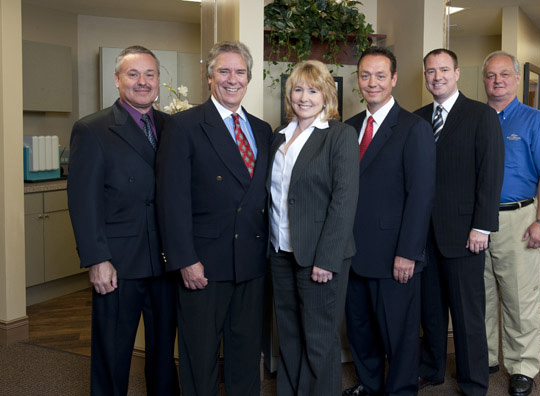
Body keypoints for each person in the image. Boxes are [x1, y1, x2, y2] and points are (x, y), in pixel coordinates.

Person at [156, 41, 272, 396]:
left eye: (239, 72)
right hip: (203, 265)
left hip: (252, 265)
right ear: (209, 77)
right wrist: (185, 260)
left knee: (245, 354)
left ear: (249, 78)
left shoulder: (263, 130)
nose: (232, 79)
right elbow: (170, 200)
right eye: (223, 71)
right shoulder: (185, 126)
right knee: (200, 357)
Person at [67, 45, 179, 396]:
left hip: (165, 259)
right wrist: (97, 259)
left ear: (159, 81)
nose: (142, 82)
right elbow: (83, 202)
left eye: (150, 74)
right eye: (133, 74)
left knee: (163, 354)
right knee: (112, 352)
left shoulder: (171, 126)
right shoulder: (93, 129)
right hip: (118, 262)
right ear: (117, 80)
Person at [342, 47, 436, 396]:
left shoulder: (414, 128)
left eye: (381, 75)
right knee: (360, 329)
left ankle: (399, 391)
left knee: (398, 334)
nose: (372, 82)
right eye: (365, 75)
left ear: (393, 79)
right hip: (352, 254)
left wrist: (409, 252)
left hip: (394, 255)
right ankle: (368, 385)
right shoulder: (348, 129)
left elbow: (421, 196)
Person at [415, 48, 504, 396]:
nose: (436, 76)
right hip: (424, 235)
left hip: (466, 234)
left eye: (443, 70)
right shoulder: (418, 118)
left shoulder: (481, 116)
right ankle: (432, 369)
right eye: (430, 71)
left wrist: (482, 226)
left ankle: (472, 381)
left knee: (468, 315)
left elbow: (490, 175)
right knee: (431, 310)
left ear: (457, 73)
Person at [269, 59, 359, 396]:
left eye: (313, 90)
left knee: (319, 341)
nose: (304, 97)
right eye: (297, 89)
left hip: (320, 258)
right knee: (289, 336)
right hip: (281, 253)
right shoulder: (279, 136)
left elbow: (344, 201)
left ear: (326, 96)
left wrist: (327, 259)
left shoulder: (340, 136)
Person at [481, 51, 540, 396]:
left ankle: (522, 366)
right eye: (490, 75)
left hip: (518, 219)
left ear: (516, 79)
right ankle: (482, 358)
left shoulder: (535, 121)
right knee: (479, 297)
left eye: (504, 74)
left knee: (520, 299)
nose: (497, 80)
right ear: (483, 80)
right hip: (476, 223)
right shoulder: (474, 118)